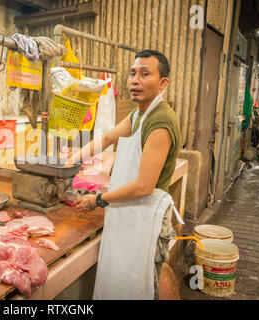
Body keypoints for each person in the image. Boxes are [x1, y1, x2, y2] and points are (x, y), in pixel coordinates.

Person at [66, 49, 183, 300]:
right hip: (132, 213)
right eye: (132, 74)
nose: (135, 80)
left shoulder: (160, 121)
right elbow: (108, 137)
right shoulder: (139, 113)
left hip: (147, 219)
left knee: (140, 287)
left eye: (144, 74)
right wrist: (71, 160)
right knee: (123, 285)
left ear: (163, 83)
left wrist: (98, 199)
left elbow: (143, 187)